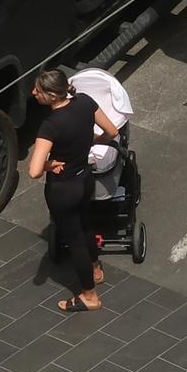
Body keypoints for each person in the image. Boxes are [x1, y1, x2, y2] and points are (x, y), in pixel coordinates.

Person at [27, 69, 119, 312]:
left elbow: (34, 171)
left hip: (62, 190)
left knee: (75, 239)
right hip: (85, 179)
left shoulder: (50, 126)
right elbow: (112, 132)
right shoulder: (86, 102)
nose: (33, 93)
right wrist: (91, 141)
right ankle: (96, 267)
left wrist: (48, 164)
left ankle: (89, 295)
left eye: (38, 90)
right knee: (86, 224)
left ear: (52, 95)